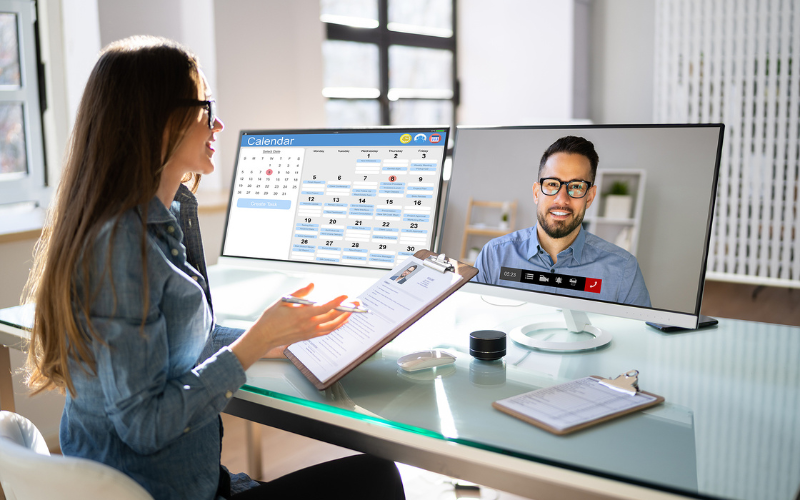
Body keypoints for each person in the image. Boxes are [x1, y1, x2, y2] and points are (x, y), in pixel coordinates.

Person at [22, 36, 405, 500]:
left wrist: (283, 337)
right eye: (206, 106)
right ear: (160, 121)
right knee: (377, 478)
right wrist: (256, 342)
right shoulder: (122, 246)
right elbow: (146, 425)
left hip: (194, 484)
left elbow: (179, 342)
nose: (218, 123)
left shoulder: (150, 223)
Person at [473, 136, 651, 307]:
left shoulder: (623, 269)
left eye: (576, 186)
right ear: (536, 193)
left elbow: (640, 337)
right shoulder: (494, 257)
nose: (562, 199)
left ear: (589, 197)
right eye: (552, 184)